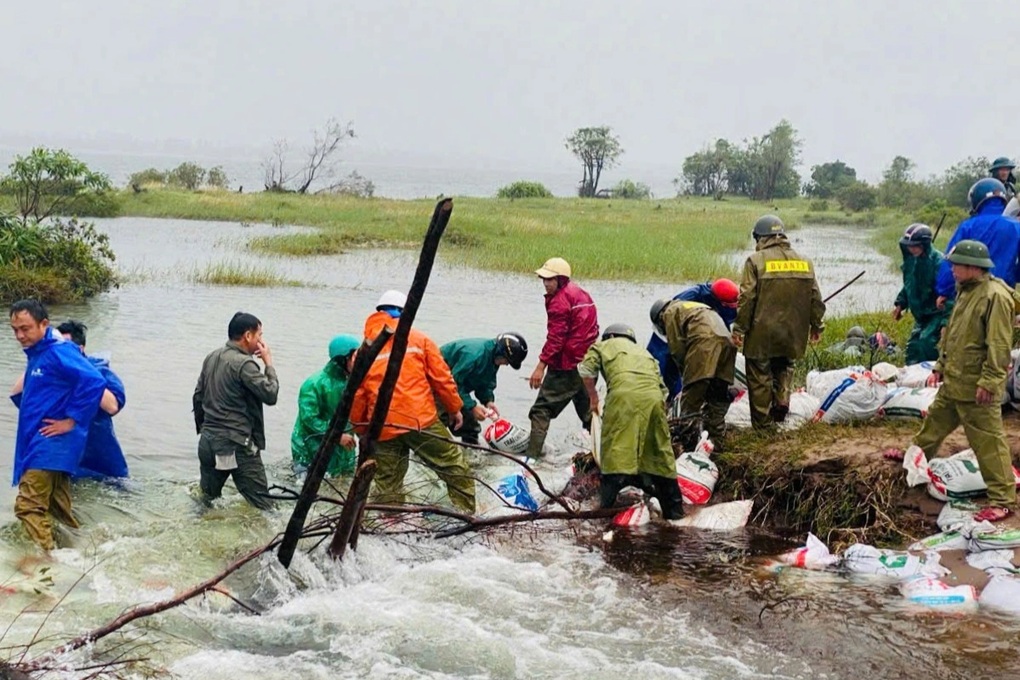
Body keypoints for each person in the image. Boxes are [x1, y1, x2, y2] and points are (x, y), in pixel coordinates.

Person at [908, 240, 1016, 522]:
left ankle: (1003, 499)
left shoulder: (995, 297)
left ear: (973, 267)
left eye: (957, 265)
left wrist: (991, 382)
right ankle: (914, 459)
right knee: (933, 424)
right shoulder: (966, 292)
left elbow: (999, 345)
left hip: (976, 386)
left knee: (988, 443)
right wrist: (941, 366)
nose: (952, 269)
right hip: (955, 381)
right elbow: (953, 335)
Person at [351, 291, 476, 512]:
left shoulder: (364, 349)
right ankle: (467, 514)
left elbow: (357, 394)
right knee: (454, 465)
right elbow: (442, 378)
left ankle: (390, 526)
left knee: (388, 482)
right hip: (420, 421)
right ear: (405, 312)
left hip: (382, 426)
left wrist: (362, 428)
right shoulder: (419, 339)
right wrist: (455, 408)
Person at [8, 300, 106, 550]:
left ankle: (46, 566)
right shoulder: (40, 352)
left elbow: (94, 381)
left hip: (50, 446)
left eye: (25, 328)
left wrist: (71, 420)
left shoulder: (58, 351)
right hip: (48, 447)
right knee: (57, 511)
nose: (20, 335)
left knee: (28, 507)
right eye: (15, 329)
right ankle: (79, 555)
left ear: (44, 324)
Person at [578, 323, 684, 519]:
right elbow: (663, 390)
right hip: (653, 398)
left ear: (609, 336)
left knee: (616, 449)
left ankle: (604, 511)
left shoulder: (601, 346)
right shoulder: (645, 354)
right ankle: (675, 512)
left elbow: (585, 371)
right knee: (658, 451)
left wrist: (593, 398)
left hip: (622, 397)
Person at [731, 215, 825, 430]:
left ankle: (763, 427)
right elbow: (815, 298)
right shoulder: (805, 262)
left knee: (760, 377)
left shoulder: (755, 261)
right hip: (793, 333)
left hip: (762, 333)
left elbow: (746, 298)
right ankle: (782, 402)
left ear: (760, 237)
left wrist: (739, 329)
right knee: (785, 366)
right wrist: (816, 326)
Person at [193, 312, 279, 510]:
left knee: (206, 503)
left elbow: (198, 396)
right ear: (248, 336)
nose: (261, 342)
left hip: (207, 443)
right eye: (260, 336)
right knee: (266, 507)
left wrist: (206, 430)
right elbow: (270, 395)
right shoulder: (244, 364)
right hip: (236, 446)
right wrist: (269, 364)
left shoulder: (211, 357)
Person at [527, 257, 599, 458]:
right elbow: (593, 329)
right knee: (589, 415)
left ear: (561, 279)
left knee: (541, 410)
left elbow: (556, 339)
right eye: (543, 279)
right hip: (588, 365)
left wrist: (541, 366)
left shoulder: (559, 302)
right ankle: (603, 454)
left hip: (566, 367)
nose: (546, 283)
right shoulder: (581, 294)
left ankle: (530, 461)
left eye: (550, 280)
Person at [650, 298, 737, 451]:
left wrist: (687, 376)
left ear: (659, 317)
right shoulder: (692, 305)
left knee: (691, 400)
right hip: (727, 342)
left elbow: (677, 349)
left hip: (704, 342)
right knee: (718, 395)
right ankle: (717, 441)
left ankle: (686, 444)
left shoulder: (669, 313)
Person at [53, 320, 128, 480]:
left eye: (66, 347)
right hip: (68, 462)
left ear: (80, 349)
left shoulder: (99, 371)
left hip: (104, 463)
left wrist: (80, 374)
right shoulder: (51, 374)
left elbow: (112, 406)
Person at [646, 278, 739, 400]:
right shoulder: (688, 299)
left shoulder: (728, 304)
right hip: (673, 335)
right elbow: (675, 347)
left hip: (702, 336)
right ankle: (673, 397)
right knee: (665, 365)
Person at [935, 178, 1020, 303]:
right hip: (1004, 296)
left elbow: (952, 261)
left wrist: (944, 291)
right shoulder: (1016, 227)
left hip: (971, 295)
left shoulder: (968, 226)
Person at [439, 332, 528, 445]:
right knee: (439, 420)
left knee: (470, 426)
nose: (506, 364)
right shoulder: (473, 355)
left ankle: (472, 451)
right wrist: (472, 407)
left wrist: (488, 401)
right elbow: (454, 384)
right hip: (436, 383)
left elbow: (485, 382)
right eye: (507, 361)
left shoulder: (493, 359)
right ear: (501, 353)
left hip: (453, 388)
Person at [291, 334, 360, 479]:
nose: (359, 362)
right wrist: (336, 436)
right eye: (355, 357)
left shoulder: (353, 384)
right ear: (342, 359)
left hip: (343, 452)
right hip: (309, 450)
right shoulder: (313, 384)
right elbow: (309, 419)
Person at [892, 224, 948, 363]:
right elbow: (910, 285)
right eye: (909, 246)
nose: (911, 249)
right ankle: (912, 378)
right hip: (921, 315)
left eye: (915, 246)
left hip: (936, 314)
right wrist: (900, 304)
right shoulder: (912, 261)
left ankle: (934, 376)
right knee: (913, 347)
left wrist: (946, 322)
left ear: (924, 244)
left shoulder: (938, 262)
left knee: (927, 343)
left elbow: (950, 292)